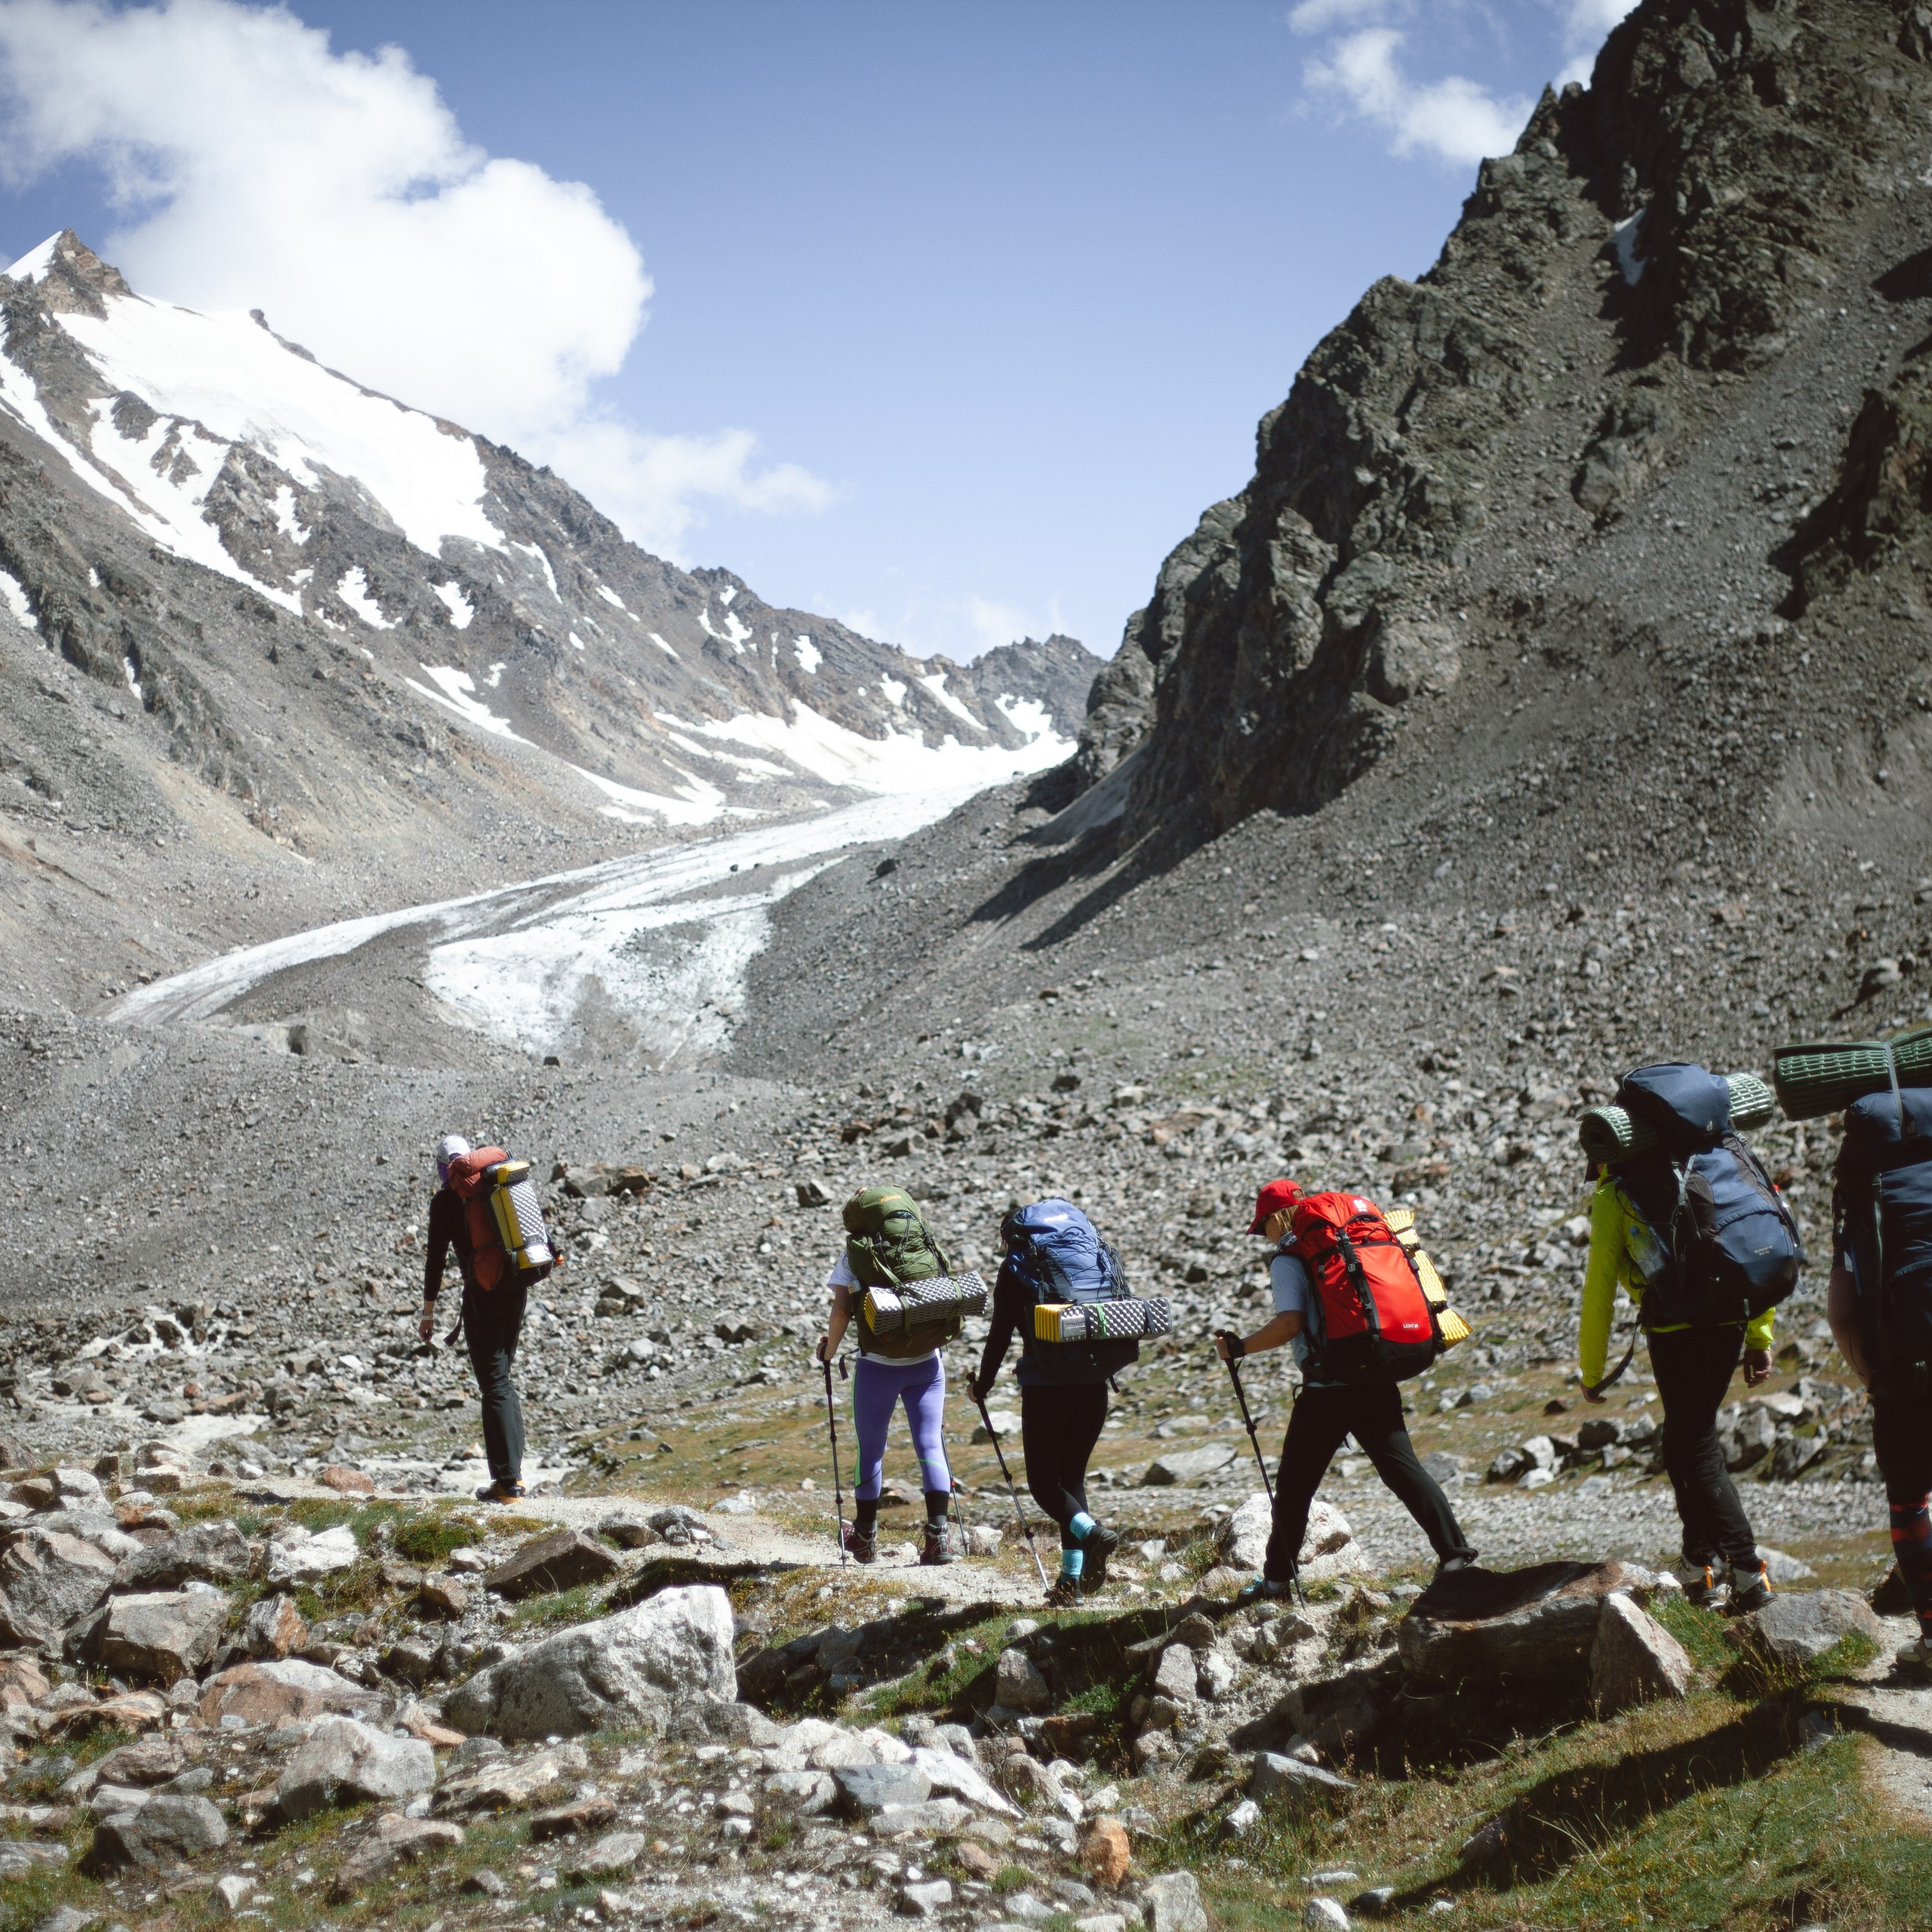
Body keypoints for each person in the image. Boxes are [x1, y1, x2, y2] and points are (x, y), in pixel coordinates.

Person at [1579, 1062, 1794, 1611]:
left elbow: (1600, 1289)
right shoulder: (1723, 1158)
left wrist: (1592, 1372)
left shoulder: (1617, 1193)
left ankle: (1747, 1571)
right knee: (1684, 1440)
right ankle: (1699, 1561)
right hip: (1728, 1317)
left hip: (1675, 1329)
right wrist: (1759, 1337)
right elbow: (1752, 1250)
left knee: (1695, 1447)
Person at [1217, 1177, 1476, 1599]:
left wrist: (1240, 1347)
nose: (1260, 1234)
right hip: (1376, 1374)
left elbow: (1290, 1324)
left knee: (1295, 1488)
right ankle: (1455, 1555)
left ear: (1275, 1217)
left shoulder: (1289, 1258)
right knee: (1402, 1469)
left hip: (1328, 1389)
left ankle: (1276, 1581)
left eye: (1261, 1225)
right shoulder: (1348, 1242)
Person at [968, 1198, 1128, 1607]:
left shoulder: (1018, 1267)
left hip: (1047, 1388)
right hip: (1094, 1383)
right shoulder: (1090, 1257)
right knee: (1071, 1481)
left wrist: (982, 1385)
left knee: (1044, 1485)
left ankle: (1092, 1534)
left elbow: (1000, 1334)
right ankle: (1069, 1584)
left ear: (1016, 1237)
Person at [1824, 1082, 1932, 1669]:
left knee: (1910, 1502)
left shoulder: (1864, 1198)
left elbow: (1841, 1311)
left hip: (1903, 1373)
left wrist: (1871, 1375)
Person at [817, 1189, 958, 1566]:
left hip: (878, 1366)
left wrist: (829, 1352)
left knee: (871, 1449)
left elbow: (842, 1311)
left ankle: (864, 1538)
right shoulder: (921, 1244)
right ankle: (939, 1539)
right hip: (928, 1364)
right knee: (930, 1445)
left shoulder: (857, 1255)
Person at [420, 1133, 536, 1504]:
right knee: (503, 1379)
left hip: (482, 1293)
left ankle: (507, 1482)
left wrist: (429, 1312)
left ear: (443, 1166)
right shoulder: (493, 1185)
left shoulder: (445, 1201)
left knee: (494, 1384)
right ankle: (514, 1477)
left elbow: (436, 1259)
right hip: (517, 1283)